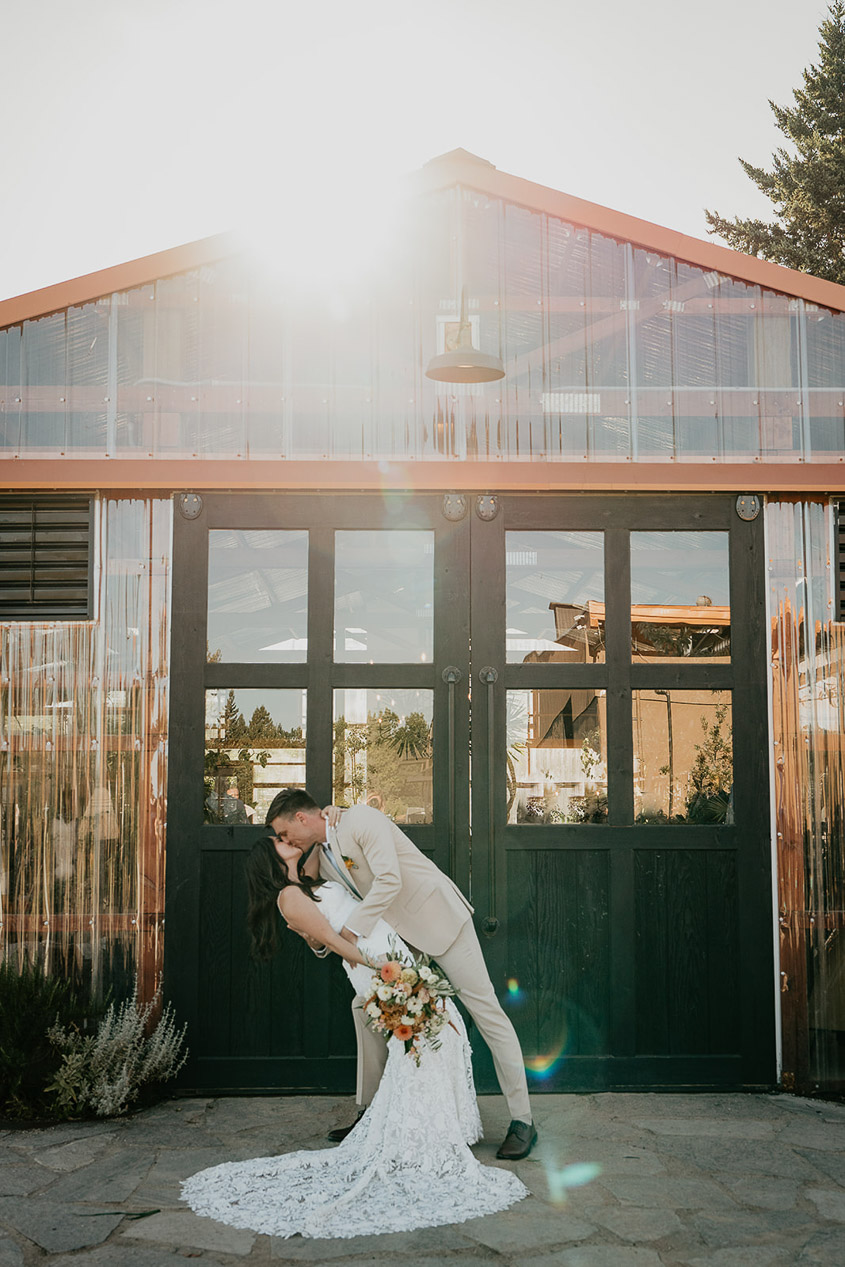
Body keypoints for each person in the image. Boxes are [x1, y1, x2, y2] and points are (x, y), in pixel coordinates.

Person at [180, 828, 528, 1239]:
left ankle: (429, 1127)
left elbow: (335, 923)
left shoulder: (312, 877)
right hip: (377, 968)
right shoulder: (289, 896)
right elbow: (330, 940)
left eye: (285, 832)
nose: (285, 838)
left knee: (437, 1037)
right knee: (424, 1041)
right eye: (277, 840)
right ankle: (417, 1135)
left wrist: (391, 958)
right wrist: (384, 969)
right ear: (269, 860)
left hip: (389, 956)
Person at [268, 787, 536, 1162]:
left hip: (439, 921)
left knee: (486, 1011)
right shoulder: (321, 859)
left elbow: (389, 880)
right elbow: (320, 915)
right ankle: (369, 1114)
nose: (284, 840)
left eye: (283, 833)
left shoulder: (360, 819)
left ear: (301, 817)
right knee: (363, 1008)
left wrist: (350, 933)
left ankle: (522, 1120)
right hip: (399, 946)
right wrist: (320, 941)